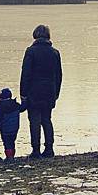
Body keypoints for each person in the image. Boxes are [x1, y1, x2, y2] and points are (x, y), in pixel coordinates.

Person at [20, 24, 62, 158]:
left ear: (35, 35)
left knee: (34, 120)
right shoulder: (55, 52)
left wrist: (23, 93)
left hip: (34, 91)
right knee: (47, 120)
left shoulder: (30, 52)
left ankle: (36, 150)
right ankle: (49, 149)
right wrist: (56, 93)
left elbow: (25, 74)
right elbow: (59, 75)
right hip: (49, 91)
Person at [0, 87, 25, 161]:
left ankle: (9, 157)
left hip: (4, 129)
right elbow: (23, 108)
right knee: (12, 142)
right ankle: (11, 156)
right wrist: (24, 100)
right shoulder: (15, 104)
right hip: (15, 128)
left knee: (6, 143)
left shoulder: (0, 106)